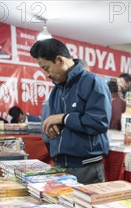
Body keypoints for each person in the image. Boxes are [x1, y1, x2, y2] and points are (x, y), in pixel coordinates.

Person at [30, 38, 111, 184]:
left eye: (46, 68)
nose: (46, 75)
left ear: (60, 60)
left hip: (86, 168)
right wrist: (51, 127)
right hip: (60, 167)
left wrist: (64, 118)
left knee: (85, 207)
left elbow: (99, 122)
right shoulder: (56, 90)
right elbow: (54, 121)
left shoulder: (93, 82)